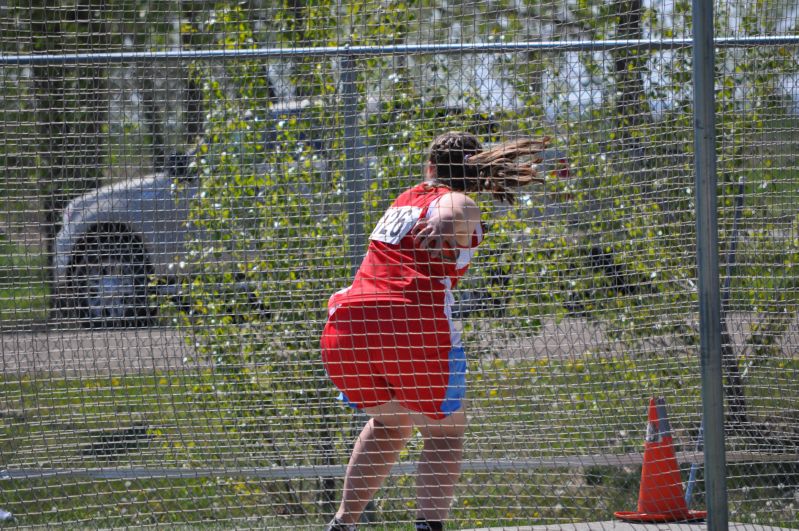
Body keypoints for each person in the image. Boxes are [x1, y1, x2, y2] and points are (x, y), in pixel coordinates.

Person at [320, 131, 551, 531]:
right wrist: (447, 226)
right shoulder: (459, 201)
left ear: (429, 169)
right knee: (445, 434)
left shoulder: (404, 199)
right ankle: (428, 527)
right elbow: (454, 208)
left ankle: (343, 523)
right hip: (411, 328)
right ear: (475, 174)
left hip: (346, 330)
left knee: (390, 424)